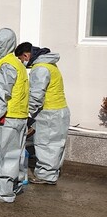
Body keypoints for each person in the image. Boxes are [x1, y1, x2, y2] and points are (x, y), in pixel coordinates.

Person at [0, 27, 29, 203]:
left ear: (3, 44)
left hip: (6, 119)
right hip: (18, 117)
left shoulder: (5, 65)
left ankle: (3, 192)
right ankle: (13, 187)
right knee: (14, 154)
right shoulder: (17, 64)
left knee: (3, 155)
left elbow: (1, 94)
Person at [15, 43, 70, 185]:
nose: (23, 63)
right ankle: (51, 173)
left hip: (49, 113)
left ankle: (45, 176)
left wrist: (28, 115)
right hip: (60, 110)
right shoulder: (50, 65)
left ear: (27, 55)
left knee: (46, 144)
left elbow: (36, 96)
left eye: (21, 59)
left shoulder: (40, 69)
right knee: (56, 144)